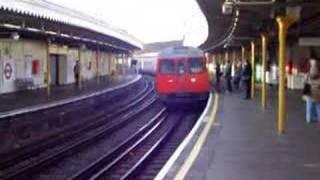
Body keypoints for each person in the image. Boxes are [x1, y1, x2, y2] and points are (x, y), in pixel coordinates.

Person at [304, 58, 320, 124]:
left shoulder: (308, 73)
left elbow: (305, 81)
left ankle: (308, 119)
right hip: (318, 92)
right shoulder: (319, 72)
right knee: (318, 106)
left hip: (310, 92)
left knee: (309, 107)